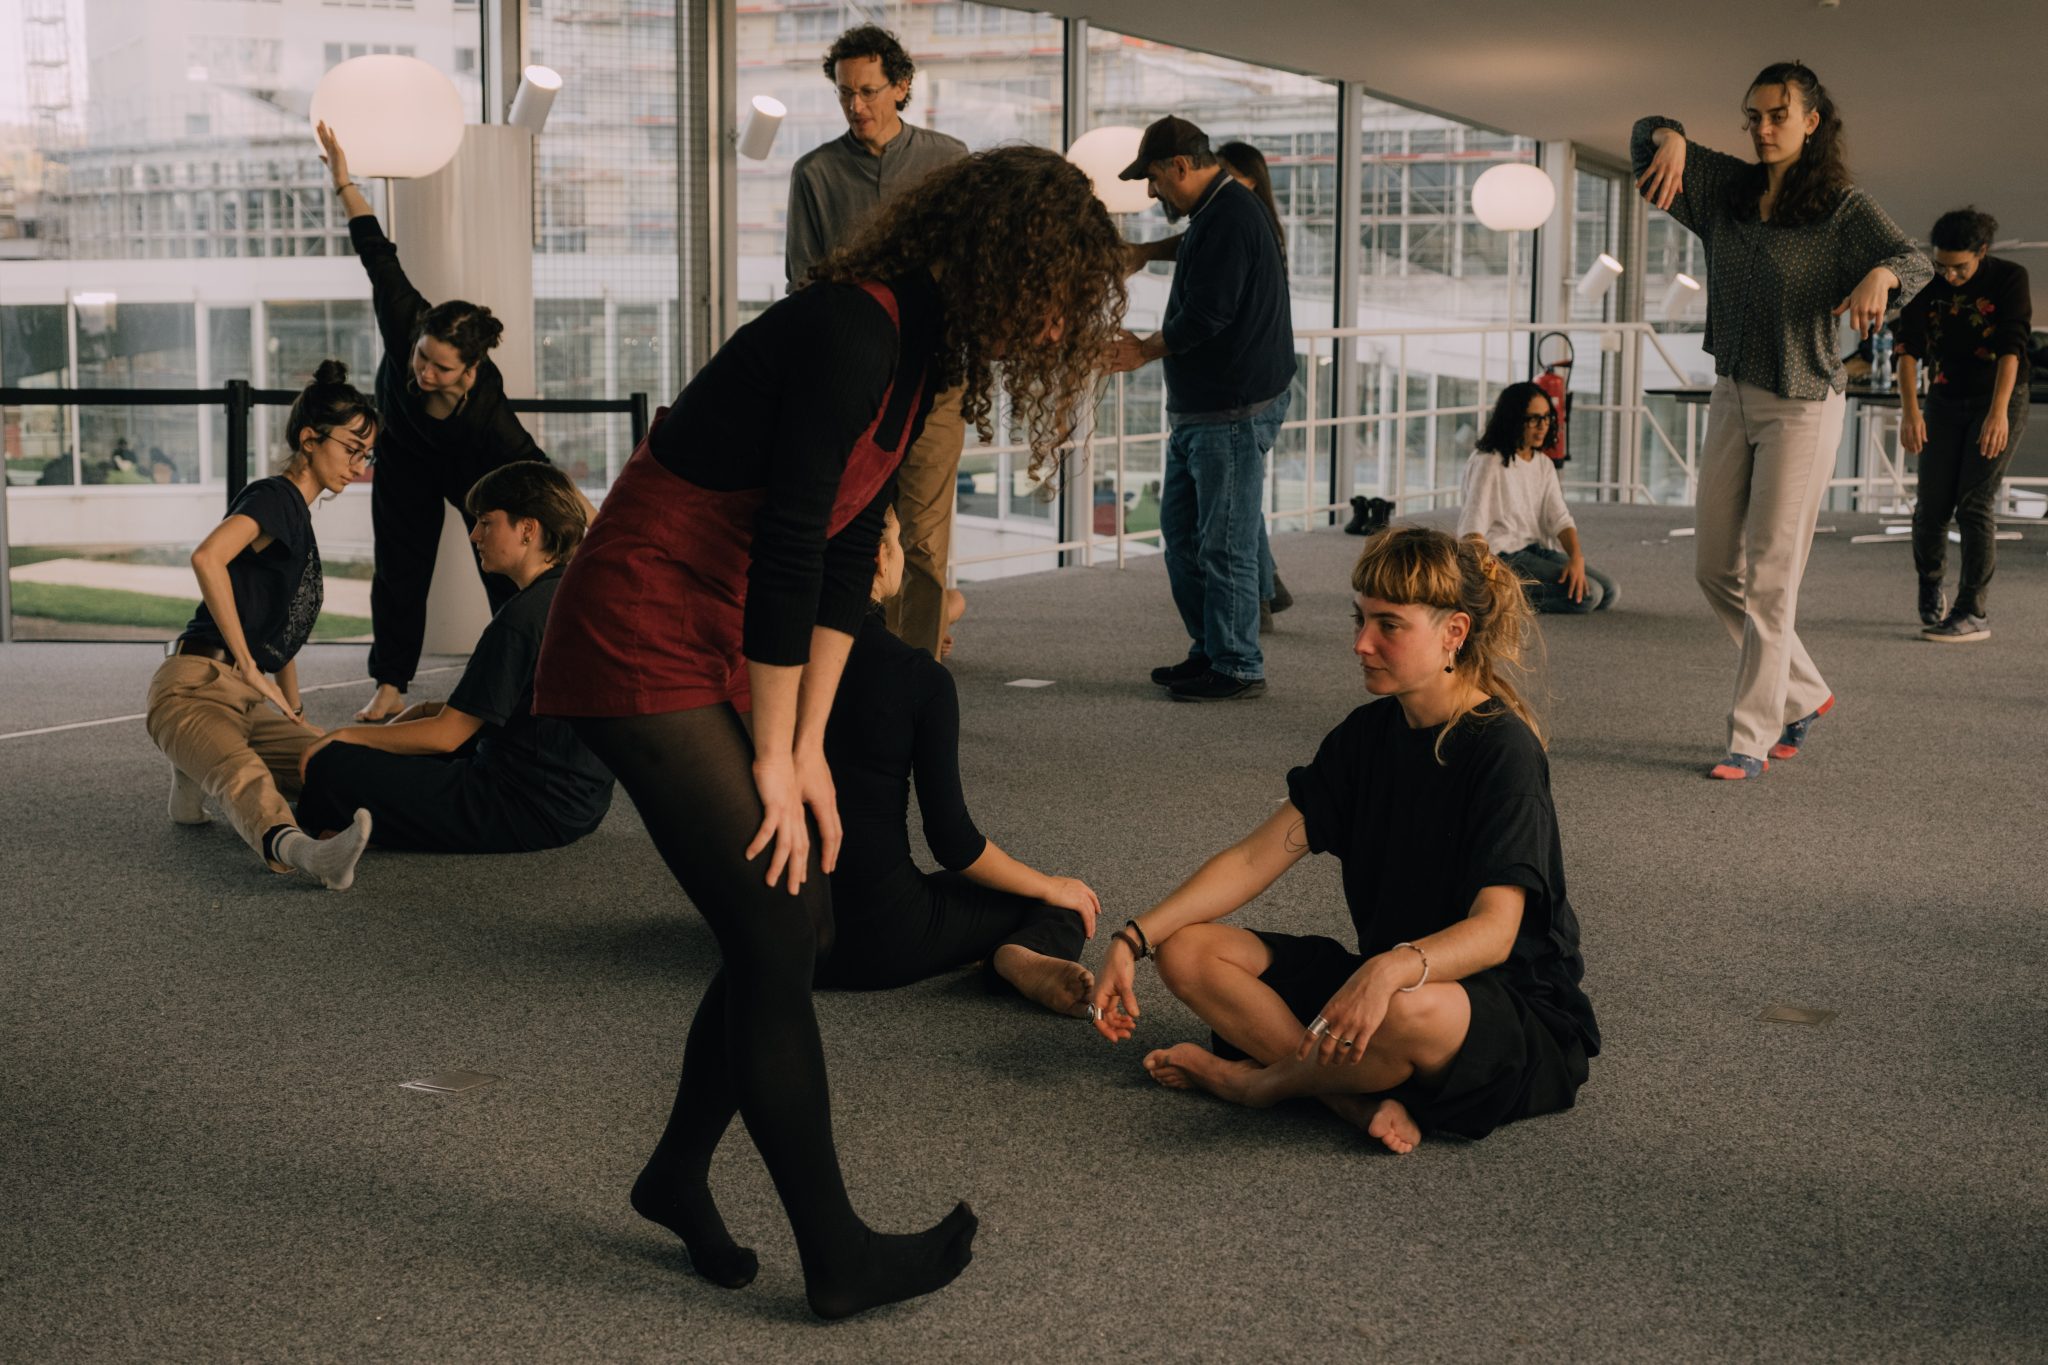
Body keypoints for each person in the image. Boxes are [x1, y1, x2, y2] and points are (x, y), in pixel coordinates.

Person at [532, 146, 1127, 1319]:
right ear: (1000, 261)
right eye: (1055, 290)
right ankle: (834, 1253)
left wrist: (806, 745)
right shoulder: (853, 329)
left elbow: (849, 558)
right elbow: (792, 546)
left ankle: (675, 1175)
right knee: (777, 919)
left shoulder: (920, 356)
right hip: (640, 618)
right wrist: (776, 752)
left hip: (715, 623)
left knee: (794, 923)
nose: (1061, 323)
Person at [1089, 526, 1598, 1154]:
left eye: (1389, 625)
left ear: (1454, 632)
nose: (1361, 643)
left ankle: (1262, 1085)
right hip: (1383, 980)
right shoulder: (1365, 737)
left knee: (1407, 1010)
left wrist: (1392, 969)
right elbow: (1251, 859)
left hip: (1501, 1006)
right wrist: (1133, 937)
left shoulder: (1502, 750)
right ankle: (1348, 1098)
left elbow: (1495, 932)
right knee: (1186, 951)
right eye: (1360, 619)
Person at [1633, 63, 1929, 779]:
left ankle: (1752, 735)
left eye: (1778, 116)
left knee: (1770, 577)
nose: (1763, 130)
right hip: (1732, 392)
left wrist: (1881, 275)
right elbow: (1643, 140)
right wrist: (1670, 137)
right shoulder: (1727, 190)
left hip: (1803, 403)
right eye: (1754, 116)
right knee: (1713, 567)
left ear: (1811, 121)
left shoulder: (1842, 209)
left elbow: (1914, 260)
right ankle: (1804, 692)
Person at [315, 121, 575, 725]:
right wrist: (344, 182)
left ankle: (524, 674)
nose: (424, 371)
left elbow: (537, 467)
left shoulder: (489, 413)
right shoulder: (406, 319)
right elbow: (375, 249)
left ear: (470, 368)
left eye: (440, 367)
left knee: (503, 564)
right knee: (399, 569)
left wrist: (593, 519)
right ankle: (389, 685)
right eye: (421, 357)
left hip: (469, 467)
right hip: (404, 456)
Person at [818, 508, 1099, 1012]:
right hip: (881, 938)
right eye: (897, 541)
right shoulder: (918, 677)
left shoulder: (768, 665)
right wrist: (1049, 885)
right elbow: (953, 843)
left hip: (780, 935)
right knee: (1063, 903)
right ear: (880, 558)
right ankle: (1017, 954)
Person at [293, 462, 614, 852]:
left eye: (486, 522)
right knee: (406, 743)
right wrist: (427, 709)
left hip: (521, 805)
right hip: (580, 803)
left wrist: (344, 735)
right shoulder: (575, 594)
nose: (474, 534)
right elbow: (517, 706)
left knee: (332, 765)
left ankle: (340, 827)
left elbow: (447, 737)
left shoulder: (521, 618)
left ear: (528, 529)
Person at [145, 362, 377, 891]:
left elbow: (281, 629)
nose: (359, 466)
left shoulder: (298, 517)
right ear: (310, 439)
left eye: (367, 455)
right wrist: (249, 666)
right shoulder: (276, 497)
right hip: (195, 686)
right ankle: (309, 856)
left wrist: (295, 711)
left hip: (250, 702)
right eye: (351, 448)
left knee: (332, 759)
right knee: (241, 773)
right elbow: (207, 557)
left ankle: (190, 774)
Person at [786, 23, 969, 662]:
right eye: (844, 92)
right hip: (853, 383)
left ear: (901, 86)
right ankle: (852, 663)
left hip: (937, 378)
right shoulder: (814, 173)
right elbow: (804, 284)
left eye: (867, 90)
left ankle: (915, 674)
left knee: (923, 540)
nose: (855, 105)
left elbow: (973, 267)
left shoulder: (951, 160)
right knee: (848, 528)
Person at [1106, 116, 1296, 702]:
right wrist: (1146, 253)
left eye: (1154, 179)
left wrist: (1142, 350)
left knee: (1224, 544)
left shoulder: (1230, 215)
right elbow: (1197, 246)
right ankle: (1212, 651)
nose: (1152, 192)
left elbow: (1209, 314)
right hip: (1206, 410)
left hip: (1229, 412)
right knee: (1183, 537)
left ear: (1182, 166)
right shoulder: (1219, 211)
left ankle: (1236, 665)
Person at [1895, 207, 2032, 643]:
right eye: (1942, 266)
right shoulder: (1925, 279)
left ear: (1982, 252)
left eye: (1960, 268)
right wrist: (1911, 412)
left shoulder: (2009, 278)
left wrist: (1998, 413)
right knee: (1931, 506)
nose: (1949, 276)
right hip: (1944, 394)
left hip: (1999, 398)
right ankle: (1931, 580)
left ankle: (1972, 611)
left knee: (1974, 504)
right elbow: (1908, 349)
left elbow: (2012, 348)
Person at [1457, 383, 1617, 613]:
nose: (1543, 426)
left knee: (1610, 592)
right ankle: (1498, 596)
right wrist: (1485, 574)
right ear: (1513, 420)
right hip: (1502, 556)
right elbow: (1471, 531)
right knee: (1589, 596)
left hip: (1535, 549)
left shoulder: (1543, 464)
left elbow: (1560, 518)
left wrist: (1576, 558)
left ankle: (1509, 593)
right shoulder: (1488, 462)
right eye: (1533, 419)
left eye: (1546, 417)